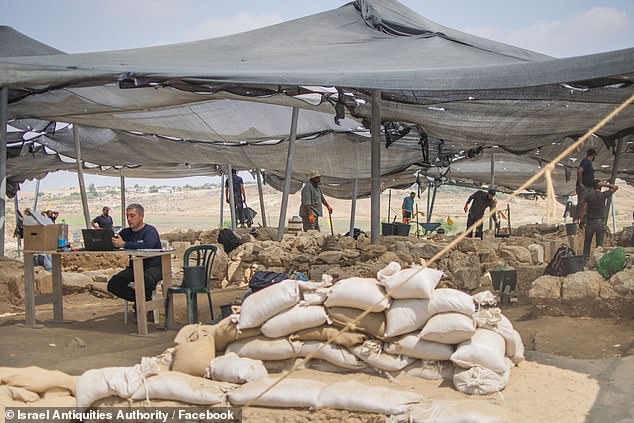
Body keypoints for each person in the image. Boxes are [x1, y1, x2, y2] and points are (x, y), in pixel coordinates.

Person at [107, 204, 163, 306]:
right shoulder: (126, 232)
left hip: (154, 267)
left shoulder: (150, 231)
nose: (129, 219)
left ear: (141, 216)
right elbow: (115, 241)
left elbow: (147, 245)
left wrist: (124, 244)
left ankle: (141, 306)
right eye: (127, 216)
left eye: (132, 216)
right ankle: (141, 301)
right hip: (134, 268)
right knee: (113, 284)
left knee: (146, 281)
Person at [578, 180, 618, 262]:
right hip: (600, 222)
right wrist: (605, 184)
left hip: (590, 222)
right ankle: (599, 261)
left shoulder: (588, 196)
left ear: (592, 187)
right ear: (600, 186)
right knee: (599, 244)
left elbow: (583, 208)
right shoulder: (603, 195)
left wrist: (581, 220)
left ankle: (585, 260)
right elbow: (615, 187)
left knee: (587, 243)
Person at [576, 148, 597, 216]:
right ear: (593, 155)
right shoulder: (586, 161)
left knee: (586, 205)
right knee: (582, 204)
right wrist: (581, 183)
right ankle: (578, 220)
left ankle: (583, 220)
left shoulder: (587, 162)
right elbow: (579, 171)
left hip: (588, 188)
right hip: (585, 188)